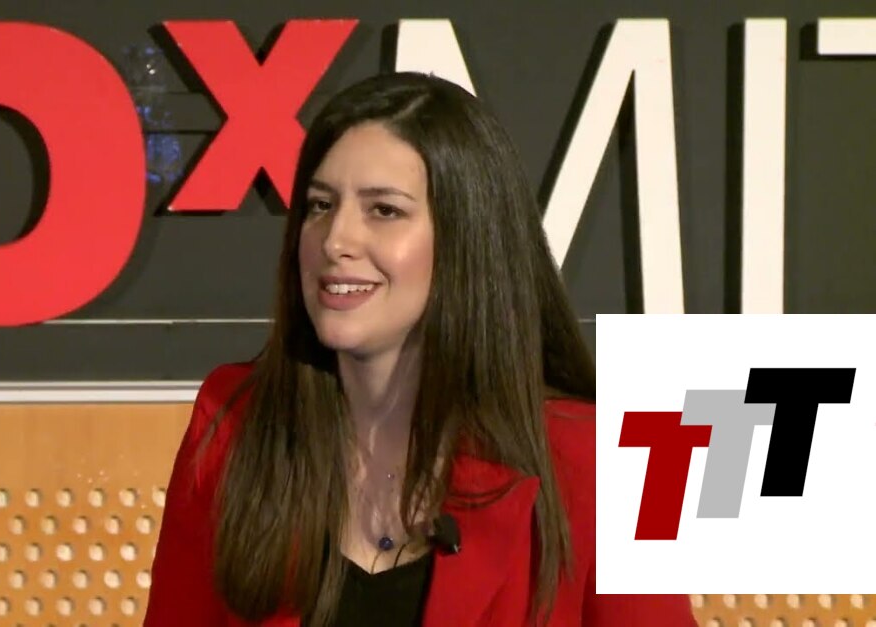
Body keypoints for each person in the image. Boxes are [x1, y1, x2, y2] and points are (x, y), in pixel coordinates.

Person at [144, 71, 696, 626]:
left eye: (383, 210)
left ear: (466, 240)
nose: (335, 240)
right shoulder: (235, 421)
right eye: (320, 205)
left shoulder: (600, 461)